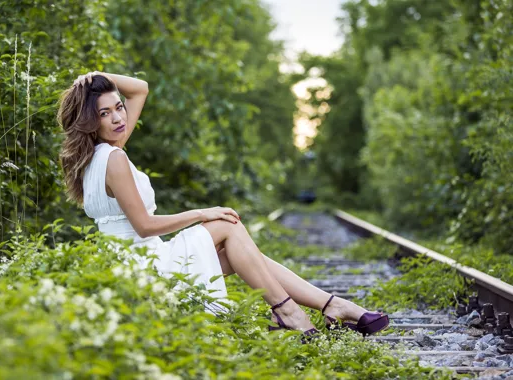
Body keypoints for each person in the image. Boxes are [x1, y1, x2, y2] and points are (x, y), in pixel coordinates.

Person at [57, 71, 389, 342]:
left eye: (118, 107)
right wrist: (203, 213)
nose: (118, 117)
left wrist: (95, 76)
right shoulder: (114, 157)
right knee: (227, 224)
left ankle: (330, 305)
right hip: (146, 269)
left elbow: (140, 89)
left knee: (240, 253)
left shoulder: (95, 156)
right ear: (90, 121)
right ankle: (291, 312)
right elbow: (144, 225)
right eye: (105, 112)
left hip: (132, 264)